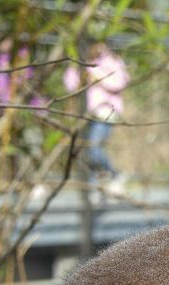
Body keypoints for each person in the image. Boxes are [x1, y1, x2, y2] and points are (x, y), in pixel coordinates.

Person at [63, 43, 130, 197]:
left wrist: (97, 77)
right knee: (87, 150)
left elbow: (119, 82)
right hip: (86, 113)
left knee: (94, 149)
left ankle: (115, 175)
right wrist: (80, 74)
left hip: (106, 112)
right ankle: (93, 188)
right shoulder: (83, 61)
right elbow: (70, 84)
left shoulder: (113, 61)